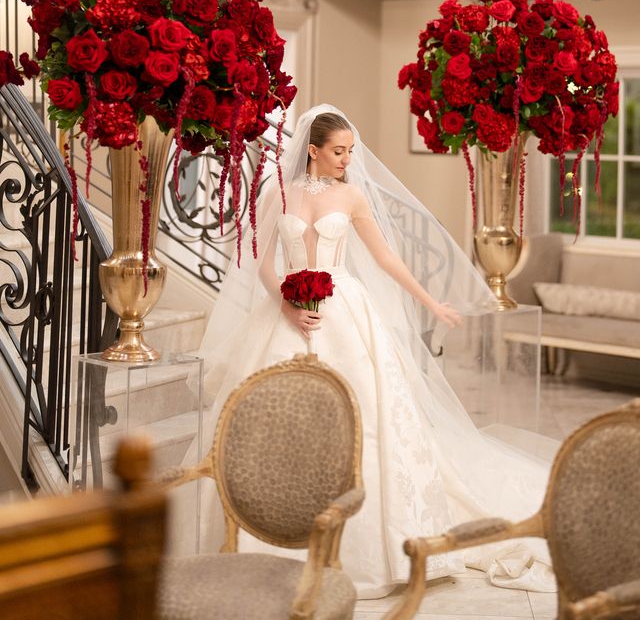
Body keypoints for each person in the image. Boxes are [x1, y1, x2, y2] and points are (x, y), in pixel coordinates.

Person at [196, 104, 554, 598]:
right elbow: (260, 263)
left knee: (367, 419)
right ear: (313, 151)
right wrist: (287, 304)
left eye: (349, 151)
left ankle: (372, 550)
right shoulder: (281, 189)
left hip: (344, 312)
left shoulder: (353, 194)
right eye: (338, 151)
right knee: (275, 420)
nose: (346, 159)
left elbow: (386, 257)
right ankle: (271, 533)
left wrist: (431, 301)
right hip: (288, 311)